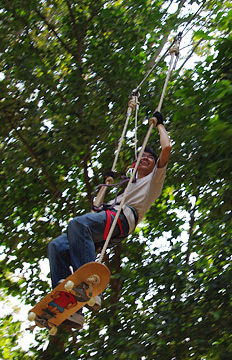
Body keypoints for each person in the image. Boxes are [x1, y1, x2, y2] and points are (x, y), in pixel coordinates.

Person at [46, 111, 171, 328]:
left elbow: (166, 148)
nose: (145, 159)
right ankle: (68, 298)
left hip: (122, 220)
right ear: (133, 165)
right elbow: (96, 208)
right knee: (56, 246)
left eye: (149, 158)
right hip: (107, 221)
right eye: (141, 156)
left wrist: (159, 125)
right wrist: (107, 184)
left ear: (153, 165)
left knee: (78, 224)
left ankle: (88, 284)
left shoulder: (154, 181)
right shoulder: (126, 188)